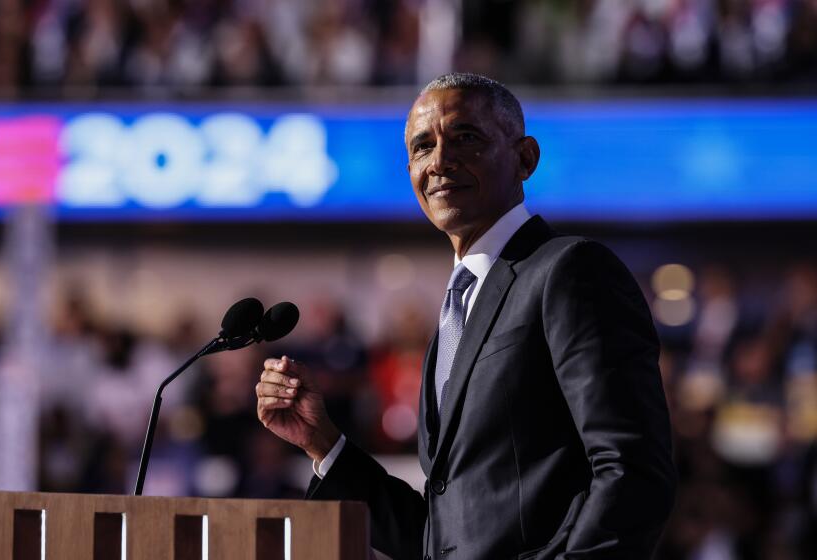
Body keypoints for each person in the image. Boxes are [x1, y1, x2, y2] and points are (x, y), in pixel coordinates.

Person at [255, 73, 677, 560]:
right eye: (422, 146)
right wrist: (323, 443)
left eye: (466, 138)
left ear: (525, 159)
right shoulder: (459, 305)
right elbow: (444, 533)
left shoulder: (570, 271)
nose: (439, 162)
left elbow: (633, 473)